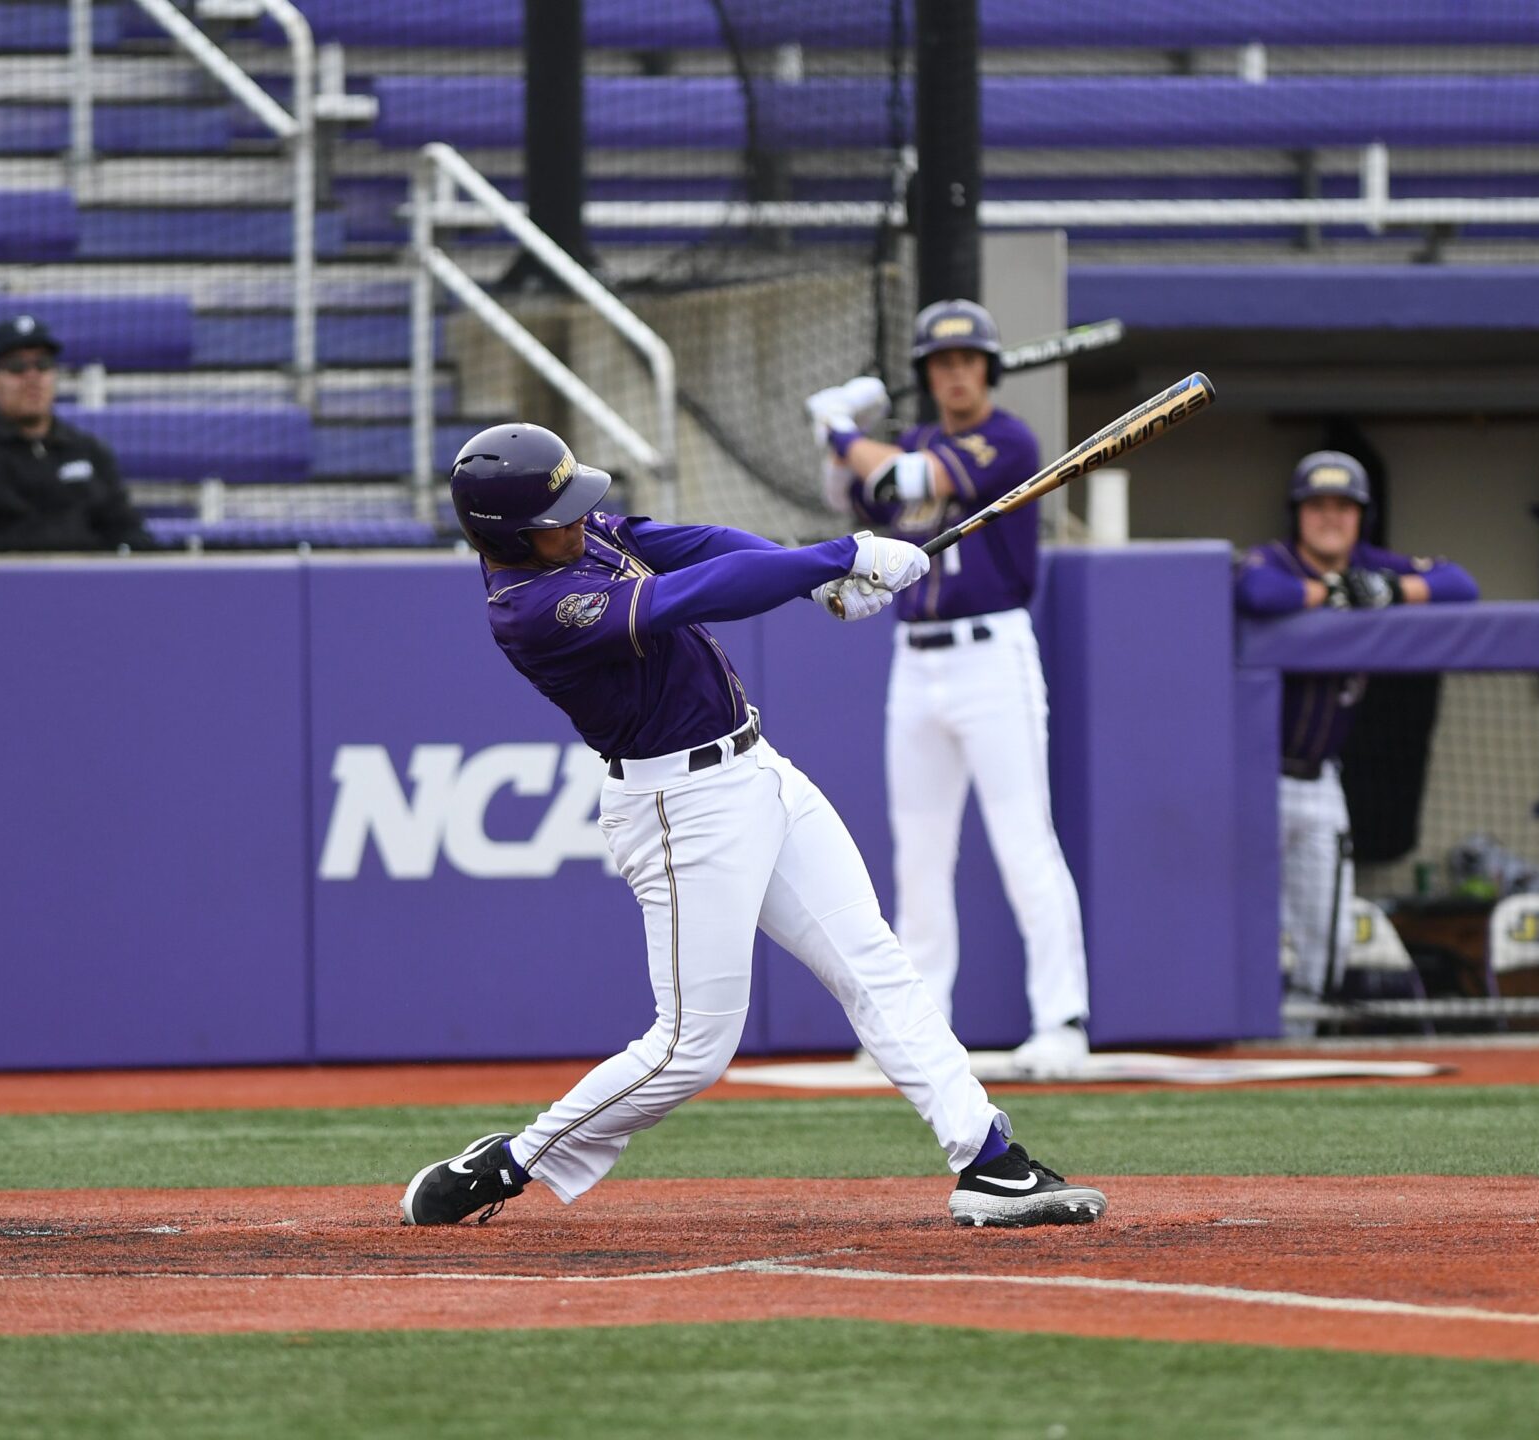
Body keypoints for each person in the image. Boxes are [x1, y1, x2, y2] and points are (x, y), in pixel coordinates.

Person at [400, 423, 1106, 1230]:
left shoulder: (571, 535)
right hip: (680, 811)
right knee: (689, 1049)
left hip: (757, 769)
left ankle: (988, 1161)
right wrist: (839, 557)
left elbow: (700, 544)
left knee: (876, 967)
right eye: (557, 511)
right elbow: (691, 595)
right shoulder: (533, 606)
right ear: (509, 535)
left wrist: (808, 575)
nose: (579, 516)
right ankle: (514, 1160)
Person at [808, 298, 1093, 1077]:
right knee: (920, 854)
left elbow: (901, 476)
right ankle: (920, 1031)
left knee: (1023, 840)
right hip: (917, 658)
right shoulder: (923, 435)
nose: (956, 373)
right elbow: (853, 498)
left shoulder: (1008, 439)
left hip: (992, 654)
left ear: (988, 370)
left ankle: (1061, 1021)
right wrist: (835, 444)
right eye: (942, 363)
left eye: (968, 360)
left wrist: (840, 427)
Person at [1234, 451, 1479, 1035]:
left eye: (1343, 507)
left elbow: (1460, 584)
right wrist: (1338, 591)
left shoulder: (1373, 562)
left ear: (1360, 516)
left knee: (1331, 935)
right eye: (1317, 505)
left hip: (1321, 780)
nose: (1330, 518)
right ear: (1298, 512)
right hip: (1254, 779)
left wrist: (1388, 589)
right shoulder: (1276, 559)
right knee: (1249, 926)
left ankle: (1297, 1045)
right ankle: (1249, 1041)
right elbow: (1260, 592)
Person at [0, 315, 155, 553]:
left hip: (84, 584)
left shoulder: (88, 449)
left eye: (43, 365)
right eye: (16, 367)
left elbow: (127, 528)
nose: (32, 377)